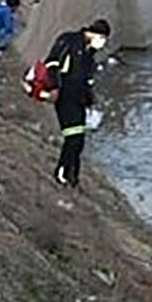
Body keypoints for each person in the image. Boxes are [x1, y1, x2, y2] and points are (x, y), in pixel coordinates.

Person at [43, 19, 109, 187]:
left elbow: (87, 79)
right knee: (72, 137)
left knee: (79, 140)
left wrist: (90, 99)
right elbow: (52, 63)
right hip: (65, 97)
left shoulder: (89, 54)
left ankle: (73, 175)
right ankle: (61, 172)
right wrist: (54, 87)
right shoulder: (69, 41)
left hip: (79, 100)